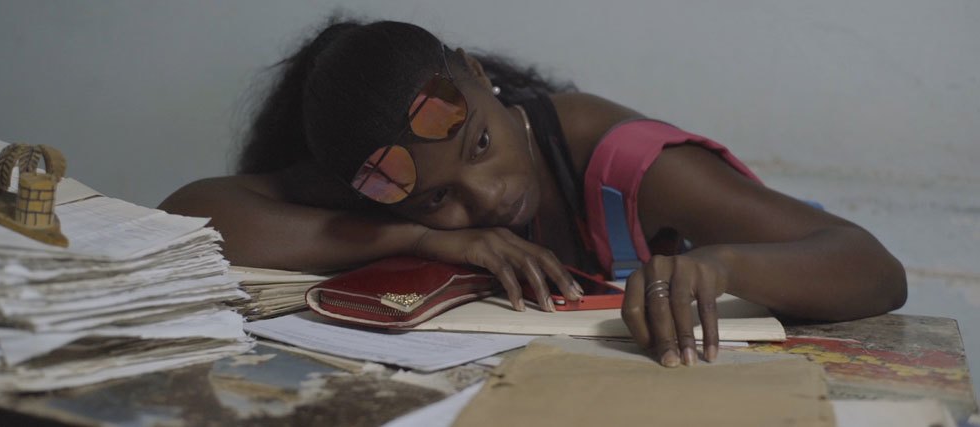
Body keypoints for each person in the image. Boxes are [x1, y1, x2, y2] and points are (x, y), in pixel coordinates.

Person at [159, 18, 907, 367]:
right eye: (437, 199)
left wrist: (724, 265)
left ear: (478, 75)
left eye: (480, 145)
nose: (485, 198)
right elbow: (187, 215)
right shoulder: (392, 177)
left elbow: (874, 268)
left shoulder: (624, 164)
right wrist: (421, 236)